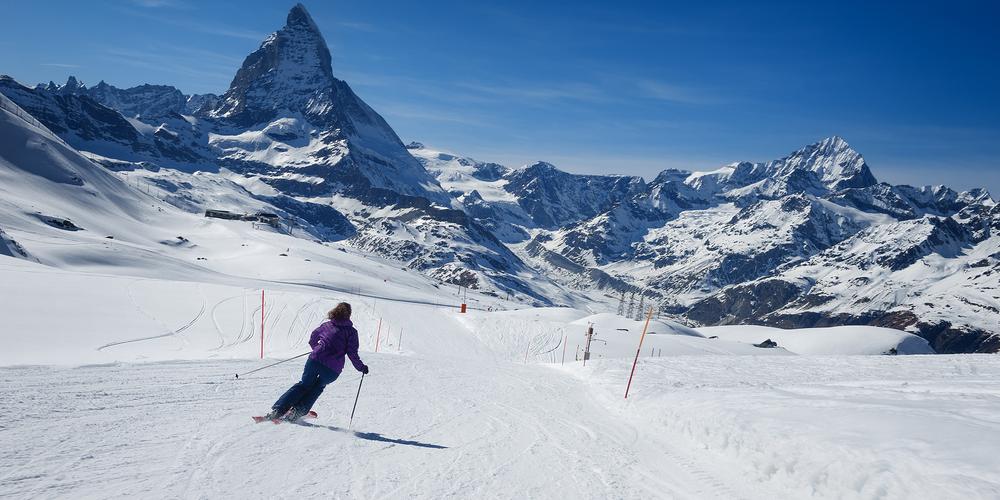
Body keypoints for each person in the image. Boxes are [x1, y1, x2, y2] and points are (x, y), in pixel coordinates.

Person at [264, 302, 369, 421]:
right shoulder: (351, 332)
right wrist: (361, 367)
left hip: (315, 359)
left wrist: (318, 348)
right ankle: (297, 412)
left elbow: (313, 338)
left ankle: (278, 410)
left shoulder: (327, 325)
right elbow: (352, 353)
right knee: (318, 387)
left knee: (304, 385)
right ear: (349, 315)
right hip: (332, 369)